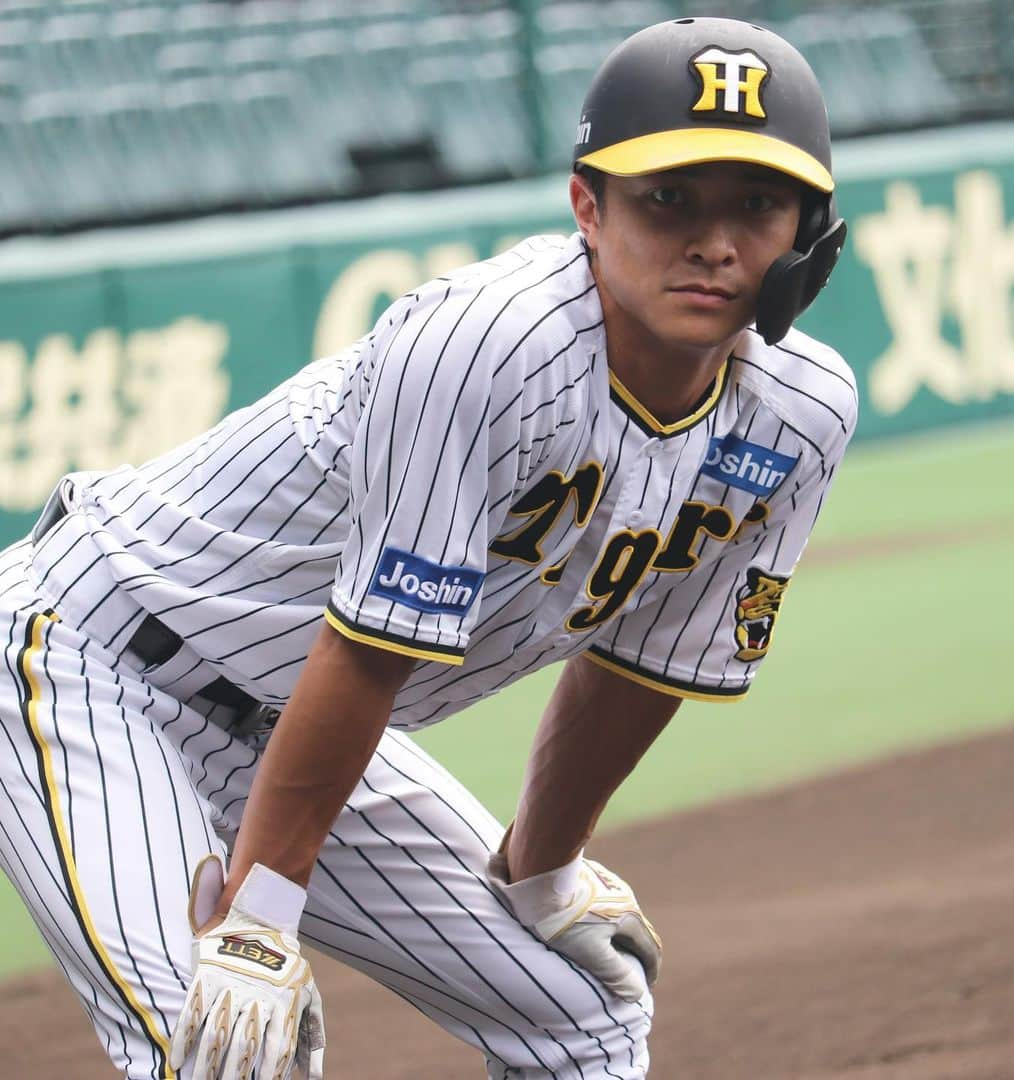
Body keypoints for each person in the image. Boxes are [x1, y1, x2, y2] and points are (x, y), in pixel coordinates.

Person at [0, 16, 857, 1079]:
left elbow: (643, 668)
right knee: (224, 1050)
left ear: (815, 232)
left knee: (579, 1017)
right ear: (588, 207)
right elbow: (367, 651)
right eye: (668, 197)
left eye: (758, 206)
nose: (715, 243)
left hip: (290, 723)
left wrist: (543, 866)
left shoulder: (797, 414)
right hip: (92, 657)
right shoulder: (490, 345)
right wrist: (263, 912)